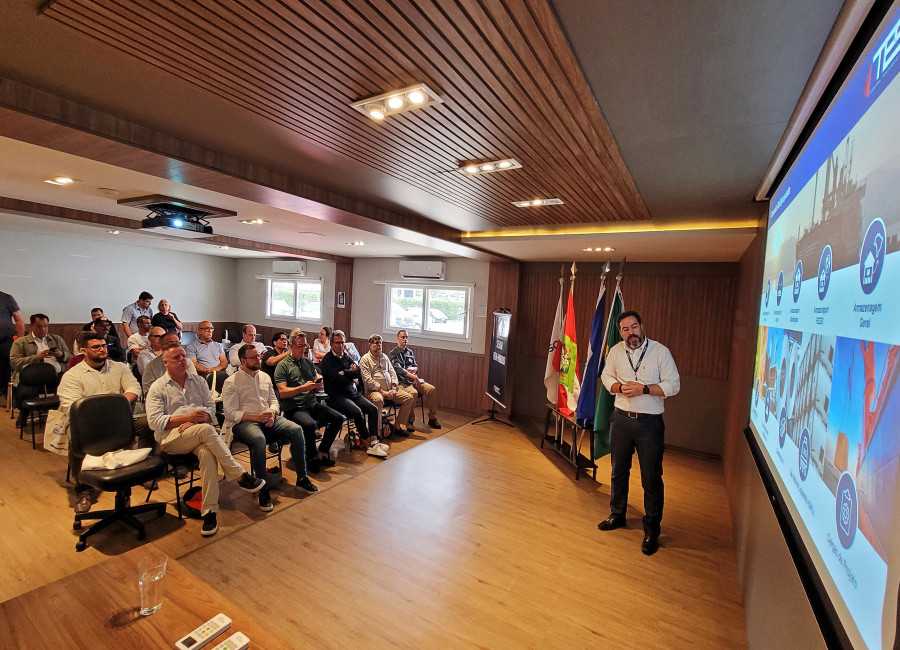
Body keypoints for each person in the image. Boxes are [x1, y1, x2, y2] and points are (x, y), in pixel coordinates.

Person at [146, 346, 265, 537]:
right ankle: (239, 475)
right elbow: (155, 422)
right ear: (165, 362)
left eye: (184, 356)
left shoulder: (198, 381)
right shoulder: (158, 387)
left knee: (206, 453)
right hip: (171, 438)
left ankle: (209, 511)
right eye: (176, 357)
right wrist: (187, 419)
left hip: (199, 432)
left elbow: (211, 407)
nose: (182, 359)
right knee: (206, 431)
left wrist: (200, 418)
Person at [598, 310, 680, 556]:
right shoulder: (615, 352)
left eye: (633, 327)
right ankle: (617, 514)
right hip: (621, 420)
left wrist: (644, 389)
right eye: (625, 329)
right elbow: (605, 375)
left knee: (651, 478)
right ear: (621, 332)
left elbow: (673, 385)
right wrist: (620, 387)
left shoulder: (660, 352)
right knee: (618, 471)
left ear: (641, 326)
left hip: (649, 424)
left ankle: (652, 530)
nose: (630, 333)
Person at [57, 332, 155, 514]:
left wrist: (116, 407)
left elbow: (134, 388)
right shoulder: (72, 376)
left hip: (118, 420)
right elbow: (73, 407)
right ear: (84, 351)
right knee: (75, 442)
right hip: (87, 425)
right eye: (96, 347)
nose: (102, 349)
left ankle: (136, 475)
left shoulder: (119, 368)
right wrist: (107, 411)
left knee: (147, 423)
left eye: (104, 345)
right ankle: (83, 489)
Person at [223, 344, 319, 511]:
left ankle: (302, 478)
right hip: (245, 422)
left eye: (259, 356)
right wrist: (257, 417)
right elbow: (231, 413)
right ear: (243, 360)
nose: (258, 359)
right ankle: (262, 488)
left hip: (269, 417)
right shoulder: (231, 382)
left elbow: (274, 401)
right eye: (254, 357)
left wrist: (272, 414)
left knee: (296, 430)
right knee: (259, 439)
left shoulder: (265, 377)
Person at [274, 329, 344, 472]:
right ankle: (310, 457)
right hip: (294, 407)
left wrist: (318, 385)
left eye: (305, 346)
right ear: (291, 345)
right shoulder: (283, 366)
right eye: (300, 346)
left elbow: (314, 384)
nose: (304, 349)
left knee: (338, 418)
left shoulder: (307, 362)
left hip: (311, 403)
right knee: (310, 425)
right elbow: (282, 393)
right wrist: (303, 388)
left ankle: (322, 451)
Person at [319, 329, 386, 458]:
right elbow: (336, 379)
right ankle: (367, 442)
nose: (340, 345)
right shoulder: (327, 360)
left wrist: (344, 373)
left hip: (352, 393)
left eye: (342, 342)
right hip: (337, 396)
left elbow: (358, 371)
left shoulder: (345, 356)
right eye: (337, 343)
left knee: (373, 409)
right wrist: (349, 373)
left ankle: (374, 440)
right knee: (357, 412)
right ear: (331, 344)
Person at [10, 313, 70, 427]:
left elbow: (70, 357)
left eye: (45, 326)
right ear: (31, 326)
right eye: (38, 326)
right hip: (32, 377)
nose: (43, 329)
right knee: (26, 391)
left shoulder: (56, 339)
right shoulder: (20, 342)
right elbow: (14, 362)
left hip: (56, 374)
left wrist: (61, 354)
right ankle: (24, 413)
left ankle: (64, 416)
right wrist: (37, 357)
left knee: (70, 385)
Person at [360, 334, 414, 437]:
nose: (379, 345)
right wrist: (382, 392)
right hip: (374, 392)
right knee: (378, 400)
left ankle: (397, 426)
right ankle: (378, 432)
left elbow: (393, 373)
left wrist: (393, 388)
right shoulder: (365, 360)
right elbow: (368, 380)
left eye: (380, 343)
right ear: (370, 345)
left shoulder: (384, 357)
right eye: (376, 343)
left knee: (409, 398)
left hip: (390, 390)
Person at [389, 329, 440, 430]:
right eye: (403, 337)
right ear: (397, 339)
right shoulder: (393, 353)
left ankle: (432, 418)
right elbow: (398, 369)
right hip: (402, 383)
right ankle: (410, 421)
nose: (405, 339)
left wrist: (413, 369)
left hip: (414, 380)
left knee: (432, 389)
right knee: (414, 393)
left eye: (406, 337)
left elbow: (416, 366)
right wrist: (413, 376)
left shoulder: (410, 352)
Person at [142, 331, 197, 395]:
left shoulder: (187, 362)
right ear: (161, 346)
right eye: (170, 344)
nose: (174, 347)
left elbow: (194, 385)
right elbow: (149, 392)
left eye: (177, 343)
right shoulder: (151, 367)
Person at [0, 290, 24, 406]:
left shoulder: (7, 298)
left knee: (6, 368)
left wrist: (20, 340)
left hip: (5, 340)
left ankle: (6, 395)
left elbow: (18, 319)